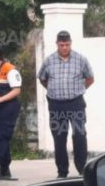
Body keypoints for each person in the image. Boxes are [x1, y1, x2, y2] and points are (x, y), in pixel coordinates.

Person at [37, 30, 94, 178]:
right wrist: (53, 90)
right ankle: (62, 172)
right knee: (59, 137)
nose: (64, 48)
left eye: (67, 45)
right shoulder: (49, 61)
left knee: (80, 135)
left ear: (70, 43)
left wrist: (79, 90)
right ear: (57, 44)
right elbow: (42, 78)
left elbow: (90, 78)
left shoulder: (80, 59)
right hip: (56, 105)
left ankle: (82, 169)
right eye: (61, 45)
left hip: (76, 104)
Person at [0, 52, 22, 179]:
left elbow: (17, 90)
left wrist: (0, 99)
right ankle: (4, 168)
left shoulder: (9, 69)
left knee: (2, 137)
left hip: (9, 107)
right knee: (1, 137)